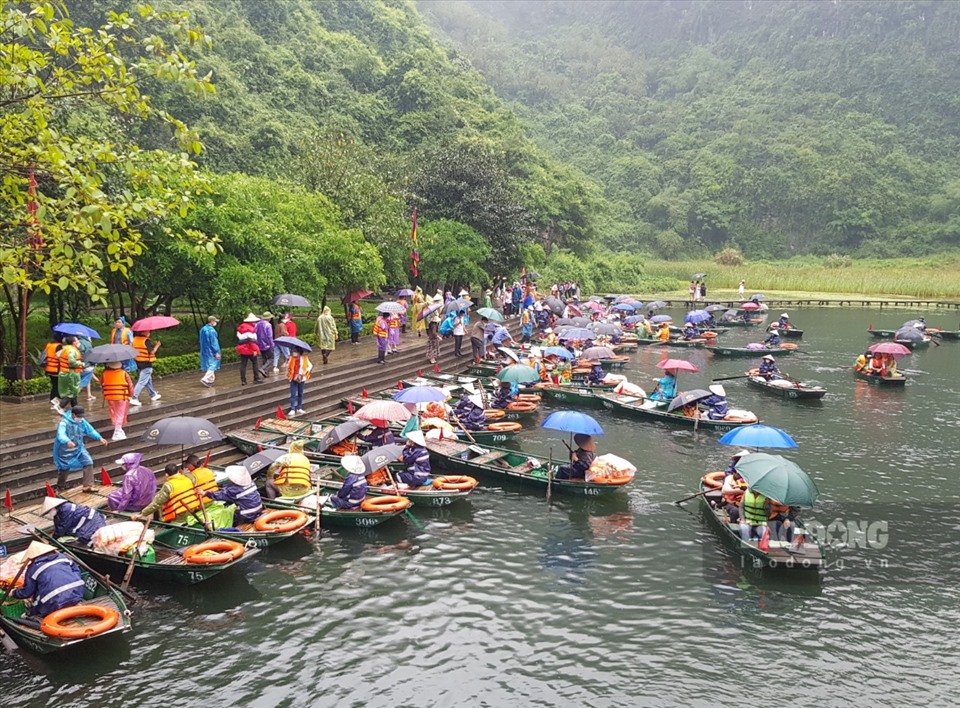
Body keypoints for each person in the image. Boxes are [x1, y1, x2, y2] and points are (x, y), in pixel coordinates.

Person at [9, 541, 85, 620]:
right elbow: (77, 572)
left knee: (35, 606)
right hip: (77, 592)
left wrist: (14, 593)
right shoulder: (63, 557)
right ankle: (73, 602)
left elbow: (26, 592)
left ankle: (34, 616)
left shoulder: (33, 568)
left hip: (53, 601)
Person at [135, 455, 218, 523]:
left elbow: (157, 503)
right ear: (178, 471)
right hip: (196, 507)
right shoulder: (191, 477)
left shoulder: (169, 485)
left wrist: (142, 514)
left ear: (167, 475)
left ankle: (161, 522)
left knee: (159, 501)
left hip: (181, 514)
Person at [53, 406, 107, 491]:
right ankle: (60, 487)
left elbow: (90, 430)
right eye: (79, 416)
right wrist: (67, 441)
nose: (80, 418)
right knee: (64, 468)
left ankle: (88, 485)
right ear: (73, 415)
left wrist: (99, 438)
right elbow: (61, 434)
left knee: (88, 462)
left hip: (78, 448)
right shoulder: (64, 423)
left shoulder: (82, 421)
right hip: (65, 451)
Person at [42, 497, 106, 545]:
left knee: (86, 538)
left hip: (92, 520)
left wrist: (54, 538)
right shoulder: (58, 514)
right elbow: (58, 525)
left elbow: (64, 525)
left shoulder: (66, 508)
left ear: (54, 508)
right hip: (85, 520)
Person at [99, 360, 134, 441]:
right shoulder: (124, 373)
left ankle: (119, 429)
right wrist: (131, 395)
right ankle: (117, 431)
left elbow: (101, 383)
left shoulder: (104, 373)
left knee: (114, 413)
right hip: (122, 396)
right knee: (120, 414)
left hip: (110, 397)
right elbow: (130, 385)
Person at [130, 328, 161, 405]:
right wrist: (157, 345)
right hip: (147, 363)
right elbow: (152, 351)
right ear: (144, 332)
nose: (149, 332)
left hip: (138, 362)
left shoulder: (135, 339)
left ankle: (153, 395)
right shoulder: (146, 341)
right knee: (142, 381)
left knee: (148, 380)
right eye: (148, 331)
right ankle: (134, 397)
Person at [57, 335, 83, 411]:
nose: (78, 342)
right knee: (72, 392)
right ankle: (61, 406)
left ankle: (75, 408)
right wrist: (81, 363)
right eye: (77, 340)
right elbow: (71, 361)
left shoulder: (64, 348)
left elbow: (58, 356)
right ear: (73, 342)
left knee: (73, 391)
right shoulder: (72, 350)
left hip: (64, 372)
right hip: (71, 373)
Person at [236, 313, 264, 386]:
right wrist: (256, 350)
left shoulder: (240, 328)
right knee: (255, 363)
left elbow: (239, 339)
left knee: (243, 365)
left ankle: (243, 380)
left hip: (242, 349)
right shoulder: (251, 329)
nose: (255, 323)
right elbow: (252, 341)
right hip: (250, 349)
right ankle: (256, 378)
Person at [287, 345, 312, 416]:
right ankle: (292, 409)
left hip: (301, 378)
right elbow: (288, 367)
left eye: (295, 351)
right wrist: (287, 361)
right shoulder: (291, 359)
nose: (294, 353)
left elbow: (309, 366)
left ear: (299, 352)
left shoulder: (304, 359)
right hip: (293, 378)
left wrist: (302, 374)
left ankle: (299, 408)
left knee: (300, 393)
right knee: (293, 394)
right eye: (293, 351)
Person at [42, 333, 63, 412]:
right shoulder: (59, 346)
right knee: (57, 386)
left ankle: (53, 401)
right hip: (56, 369)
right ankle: (55, 402)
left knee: (54, 385)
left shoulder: (49, 344)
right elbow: (60, 357)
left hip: (49, 368)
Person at [199, 315, 221, 387]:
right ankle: (205, 379)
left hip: (204, 350)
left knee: (209, 365)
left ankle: (210, 380)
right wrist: (216, 352)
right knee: (213, 365)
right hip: (211, 351)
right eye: (215, 321)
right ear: (211, 322)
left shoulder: (203, 329)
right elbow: (213, 342)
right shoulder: (211, 331)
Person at [76, 335, 98, 401]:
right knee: (83, 382)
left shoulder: (76, 342)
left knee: (87, 380)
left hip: (77, 365)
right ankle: (70, 397)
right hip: (87, 365)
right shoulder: (87, 344)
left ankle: (89, 395)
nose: (90, 338)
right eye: (89, 337)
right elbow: (91, 355)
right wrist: (94, 364)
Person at [256, 311, 276, 376]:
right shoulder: (268, 325)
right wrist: (272, 344)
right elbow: (269, 336)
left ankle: (266, 372)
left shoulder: (257, 324)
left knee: (264, 358)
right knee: (271, 358)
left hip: (259, 344)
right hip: (267, 344)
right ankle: (263, 368)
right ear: (268, 318)